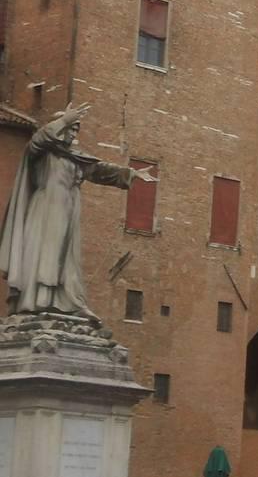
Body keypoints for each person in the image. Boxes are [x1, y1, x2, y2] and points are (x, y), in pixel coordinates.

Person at [1, 102, 154, 319]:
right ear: (59, 127)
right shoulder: (41, 152)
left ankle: (69, 302)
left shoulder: (76, 157)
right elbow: (38, 140)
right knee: (46, 254)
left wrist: (131, 174)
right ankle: (39, 301)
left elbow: (100, 171)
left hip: (69, 209)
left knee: (68, 259)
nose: (74, 132)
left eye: (76, 128)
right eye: (71, 127)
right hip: (46, 209)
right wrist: (64, 119)